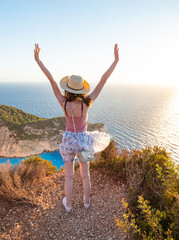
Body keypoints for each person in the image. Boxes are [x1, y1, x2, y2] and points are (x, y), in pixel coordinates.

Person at [34, 43, 119, 212]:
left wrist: (38, 60)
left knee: (69, 177)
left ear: (67, 88)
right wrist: (115, 61)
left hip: (68, 142)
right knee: (85, 176)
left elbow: (51, 80)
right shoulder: (87, 103)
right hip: (84, 143)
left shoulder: (64, 103)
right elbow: (103, 80)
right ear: (81, 90)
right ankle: (86, 202)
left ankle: (68, 205)